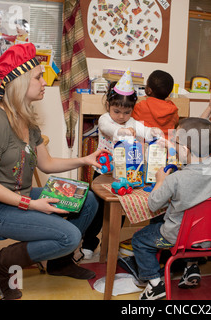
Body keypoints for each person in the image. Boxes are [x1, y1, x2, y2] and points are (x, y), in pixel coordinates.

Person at [0, 43, 106, 300]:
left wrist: (85, 159)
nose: (44, 82)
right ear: (19, 82)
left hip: (19, 194)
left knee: (89, 200)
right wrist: (32, 204)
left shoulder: (25, 119)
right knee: (70, 236)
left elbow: (47, 164)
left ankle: (59, 263)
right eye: (39, 77)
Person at [132, 117, 211, 300]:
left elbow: (153, 204)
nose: (173, 144)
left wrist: (160, 182)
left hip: (175, 237)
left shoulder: (176, 179)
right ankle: (192, 267)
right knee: (190, 223)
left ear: (185, 150)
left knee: (139, 240)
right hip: (204, 238)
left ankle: (155, 284)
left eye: (176, 142)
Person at [80, 69, 161, 259]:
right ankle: (90, 242)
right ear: (108, 105)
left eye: (126, 112)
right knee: (98, 210)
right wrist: (123, 131)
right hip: (103, 172)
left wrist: (153, 133)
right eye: (117, 111)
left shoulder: (132, 121)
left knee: (121, 209)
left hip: (124, 173)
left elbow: (144, 130)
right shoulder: (105, 119)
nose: (121, 116)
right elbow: (110, 128)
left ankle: (112, 242)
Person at [132, 69, 179, 139]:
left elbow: (130, 121)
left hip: (146, 146)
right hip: (166, 146)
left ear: (149, 91)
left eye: (147, 84)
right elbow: (175, 122)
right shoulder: (172, 109)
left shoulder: (141, 106)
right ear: (169, 93)